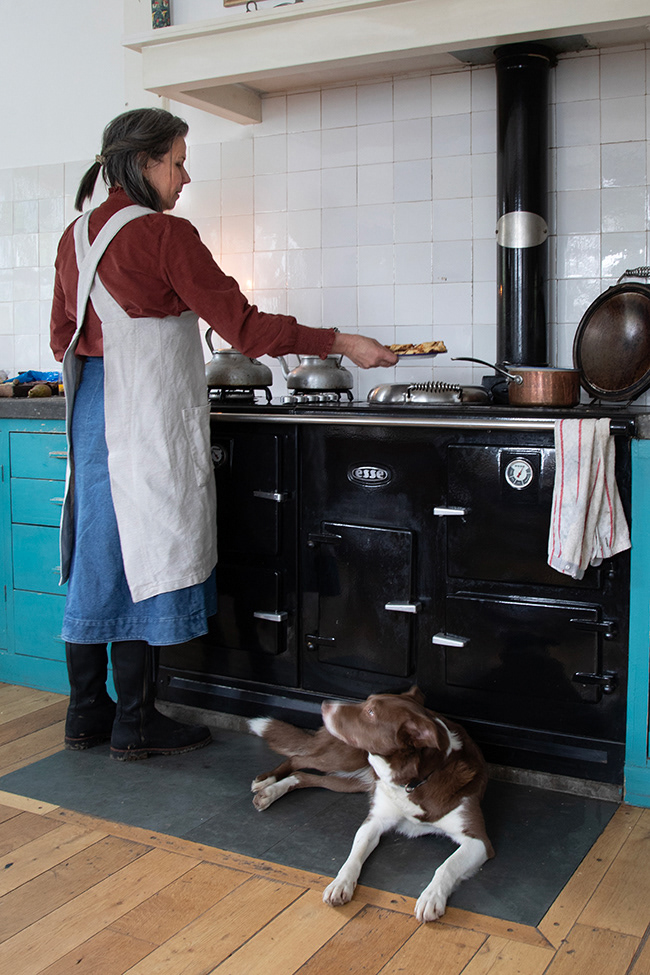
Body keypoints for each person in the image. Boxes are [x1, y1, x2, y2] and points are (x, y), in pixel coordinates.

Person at [50, 107, 397, 762]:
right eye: (178, 162)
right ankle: (137, 723)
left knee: (101, 557)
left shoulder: (76, 236)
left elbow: (60, 335)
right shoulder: (163, 233)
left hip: (93, 413)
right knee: (146, 561)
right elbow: (246, 329)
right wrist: (344, 342)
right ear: (145, 162)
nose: (185, 177)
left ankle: (86, 715)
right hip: (144, 415)